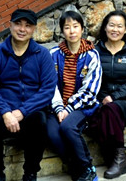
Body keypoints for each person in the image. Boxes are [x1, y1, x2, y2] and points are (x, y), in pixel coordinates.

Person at [0, 9, 57, 181]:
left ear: (34, 29)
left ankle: (30, 173)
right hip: (2, 112)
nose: (22, 29)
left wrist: (22, 111)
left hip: (30, 111)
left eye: (28, 25)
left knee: (40, 120)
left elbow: (47, 90)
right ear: (10, 26)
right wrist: (6, 112)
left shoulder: (42, 54)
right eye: (18, 24)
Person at [87, 11, 126, 179]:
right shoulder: (96, 50)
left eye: (119, 26)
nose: (115, 29)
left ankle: (119, 156)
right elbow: (91, 77)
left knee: (110, 109)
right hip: (101, 100)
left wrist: (114, 96)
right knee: (101, 115)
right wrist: (103, 97)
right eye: (111, 25)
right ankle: (115, 157)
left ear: (125, 30)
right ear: (105, 27)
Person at [46, 10, 102, 181]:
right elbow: (50, 85)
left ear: (82, 29)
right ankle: (77, 168)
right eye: (67, 27)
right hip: (56, 106)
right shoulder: (53, 54)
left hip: (82, 106)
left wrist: (69, 108)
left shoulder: (92, 55)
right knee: (52, 133)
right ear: (62, 31)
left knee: (68, 127)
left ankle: (88, 167)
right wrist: (59, 108)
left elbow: (90, 89)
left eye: (75, 26)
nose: (72, 31)